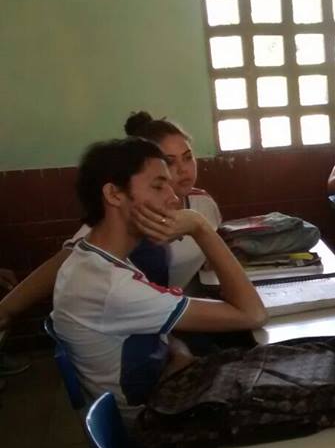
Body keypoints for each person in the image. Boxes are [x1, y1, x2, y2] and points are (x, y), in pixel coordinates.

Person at [51, 137, 266, 424]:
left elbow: (146, 329)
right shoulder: (112, 286)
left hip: (158, 393)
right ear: (114, 194)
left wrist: (177, 353)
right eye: (158, 186)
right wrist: (200, 228)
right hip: (153, 423)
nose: (174, 198)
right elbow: (253, 314)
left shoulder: (91, 258)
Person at [0, 112, 222, 328]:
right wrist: (7, 308)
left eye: (188, 157)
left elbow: (211, 247)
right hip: (139, 325)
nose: (183, 169)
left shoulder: (203, 204)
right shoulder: (121, 216)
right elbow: (64, 262)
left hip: (182, 313)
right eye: (169, 162)